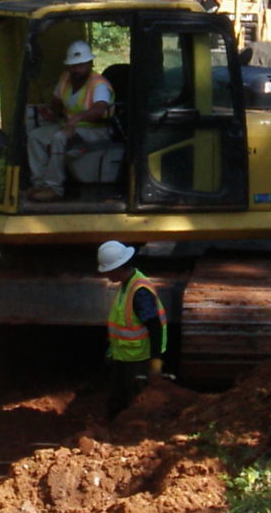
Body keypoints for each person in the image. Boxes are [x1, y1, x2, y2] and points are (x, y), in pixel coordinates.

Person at [25, 39, 115, 200]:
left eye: (81, 65)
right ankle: (39, 184)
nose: (77, 69)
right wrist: (51, 113)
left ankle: (54, 188)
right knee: (36, 136)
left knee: (60, 138)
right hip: (69, 126)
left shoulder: (98, 84)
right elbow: (57, 103)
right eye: (74, 66)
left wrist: (78, 117)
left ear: (90, 64)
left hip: (96, 129)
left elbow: (99, 108)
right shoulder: (65, 79)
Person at [97, 239, 166, 402]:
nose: (106, 275)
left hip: (139, 361)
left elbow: (155, 327)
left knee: (136, 404)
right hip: (124, 357)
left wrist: (155, 364)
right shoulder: (126, 285)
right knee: (118, 401)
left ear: (117, 268)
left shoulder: (140, 292)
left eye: (108, 270)